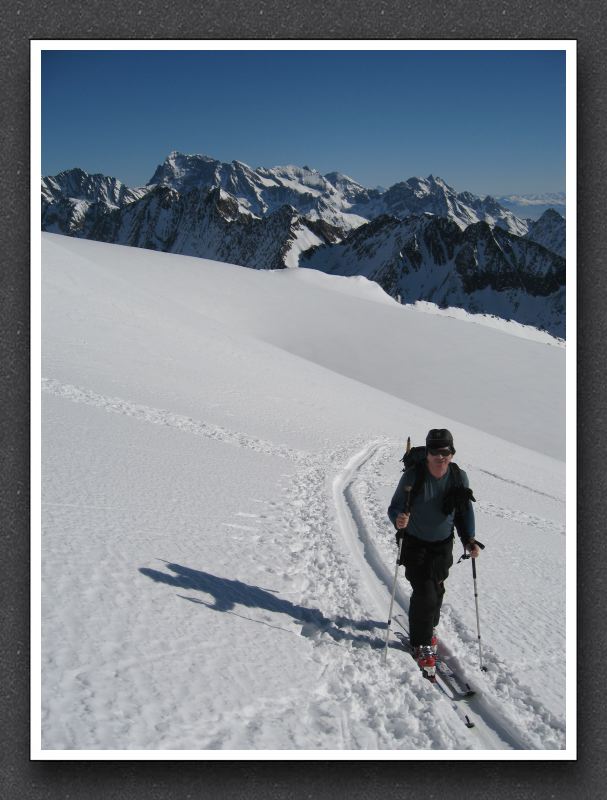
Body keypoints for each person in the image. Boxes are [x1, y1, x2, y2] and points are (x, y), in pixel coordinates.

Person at [387, 428, 479, 679]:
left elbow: (463, 512)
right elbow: (394, 507)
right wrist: (399, 520)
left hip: (442, 545)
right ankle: (421, 642)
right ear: (427, 453)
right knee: (425, 591)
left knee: (436, 589)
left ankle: (427, 625)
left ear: (452, 452)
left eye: (446, 452)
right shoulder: (413, 477)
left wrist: (469, 539)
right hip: (415, 544)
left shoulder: (459, 478)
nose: (441, 457)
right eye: (436, 452)